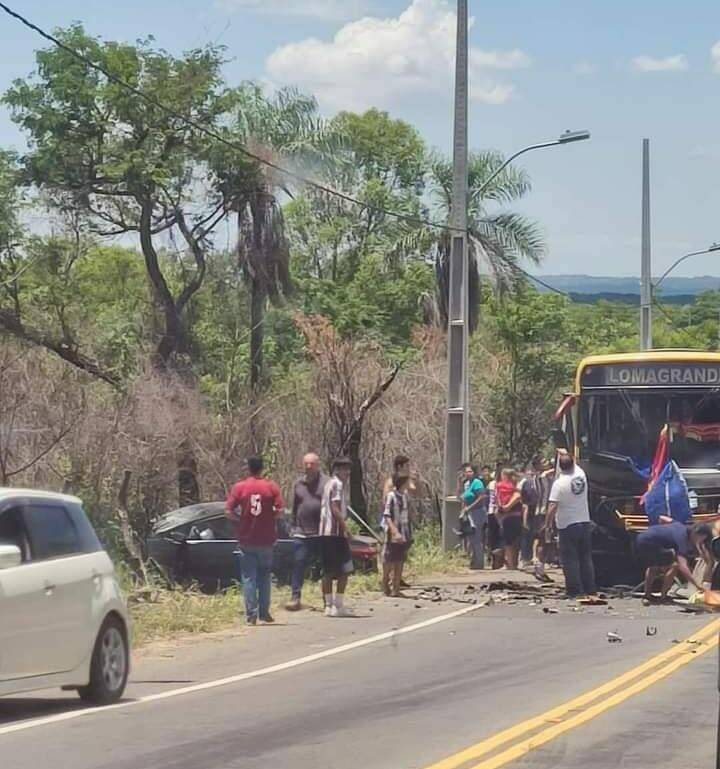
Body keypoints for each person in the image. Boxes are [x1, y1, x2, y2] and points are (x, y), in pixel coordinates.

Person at [225, 456, 284, 625]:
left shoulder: (240, 487)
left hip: (246, 538)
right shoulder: (271, 487)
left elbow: (228, 511)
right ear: (262, 468)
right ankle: (264, 612)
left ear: (248, 468)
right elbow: (280, 511)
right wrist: (269, 517)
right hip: (266, 539)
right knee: (264, 576)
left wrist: (240, 519)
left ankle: (251, 614)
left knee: (248, 577)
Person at [546, 453, 596, 598]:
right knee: (585, 558)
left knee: (570, 560)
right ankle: (590, 588)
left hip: (567, 525)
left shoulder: (559, 484)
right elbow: (572, 460)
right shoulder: (581, 475)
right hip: (584, 521)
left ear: (559, 466)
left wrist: (547, 524)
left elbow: (552, 506)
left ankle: (575, 590)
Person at [286, 452, 328, 611]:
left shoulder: (326, 483)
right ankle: (295, 597)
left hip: (322, 532)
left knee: (326, 566)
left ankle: (328, 598)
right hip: (302, 532)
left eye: (312, 464)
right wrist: (292, 525)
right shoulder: (298, 484)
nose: (309, 467)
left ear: (318, 465)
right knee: (298, 563)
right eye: (306, 464)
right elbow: (295, 506)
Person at [635, 517, 704, 602]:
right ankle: (663, 596)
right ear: (695, 534)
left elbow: (662, 517)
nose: (699, 542)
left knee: (653, 566)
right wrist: (697, 585)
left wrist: (661, 530)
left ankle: (647, 595)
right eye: (700, 539)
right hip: (652, 543)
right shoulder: (682, 540)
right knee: (675, 566)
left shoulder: (679, 525)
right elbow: (683, 567)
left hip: (641, 537)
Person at [319, 457, 354, 617]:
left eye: (348, 469)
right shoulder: (337, 485)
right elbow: (334, 506)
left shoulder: (328, 484)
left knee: (329, 570)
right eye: (344, 469)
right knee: (345, 569)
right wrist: (345, 527)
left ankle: (329, 605)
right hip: (335, 533)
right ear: (337, 470)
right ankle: (336, 605)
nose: (347, 472)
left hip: (326, 533)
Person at [382, 474, 413, 596]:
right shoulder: (391, 496)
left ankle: (396, 588)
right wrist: (394, 531)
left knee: (400, 559)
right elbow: (387, 515)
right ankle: (385, 583)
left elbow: (407, 514)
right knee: (389, 559)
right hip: (393, 532)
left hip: (404, 531)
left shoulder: (405, 496)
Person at [457, 463, 486, 570]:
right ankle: (473, 560)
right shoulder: (466, 484)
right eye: (466, 472)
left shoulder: (477, 483)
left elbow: (482, 496)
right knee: (470, 538)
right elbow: (461, 497)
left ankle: (479, 563)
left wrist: (470, 507)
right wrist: (459, 483)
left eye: (470, 471)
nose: (468, 473)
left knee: (477, 537)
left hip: (477, 512)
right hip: (468, 513)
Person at [496, 468, 523, 570]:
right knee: (514, 541)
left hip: (508, 516)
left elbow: (515, 498)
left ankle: (511, 565)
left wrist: (505, 507)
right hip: (516, 515)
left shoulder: (505, 486)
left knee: (508, 542)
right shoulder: (517, 485)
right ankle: (513, 564)